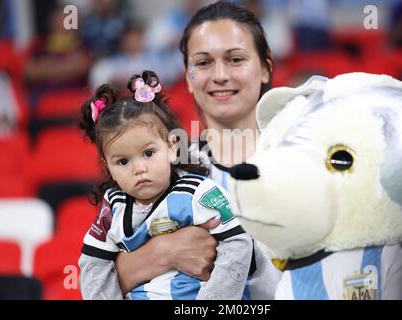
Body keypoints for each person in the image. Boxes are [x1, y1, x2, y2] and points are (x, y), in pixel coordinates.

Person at [115, 1, 283, 300]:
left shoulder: (304, 158)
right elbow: (100, 273)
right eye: (203, 63)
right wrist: (162, 252)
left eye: (235, 59)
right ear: (189, 78)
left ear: (266, 68)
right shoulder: (160, 166)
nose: (219, 75)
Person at [77, 70, 253, 300]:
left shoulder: (198, 192)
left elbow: (238, 244)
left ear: (171, 147)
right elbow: (93, 265)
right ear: (107, 166)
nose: (139, 168)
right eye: (123, 161)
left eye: (148, 153)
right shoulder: (113, 206)